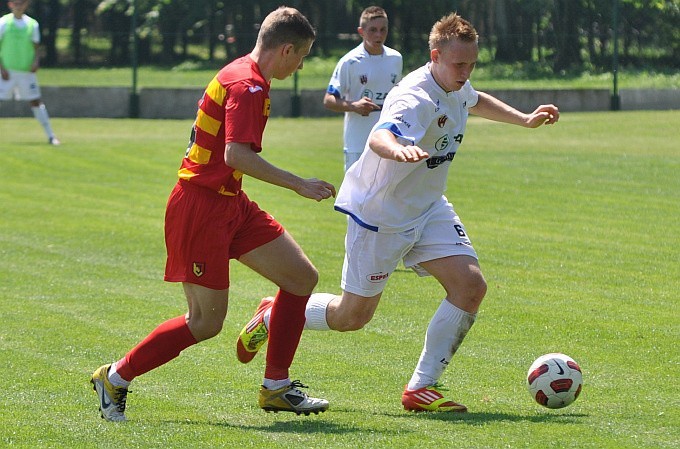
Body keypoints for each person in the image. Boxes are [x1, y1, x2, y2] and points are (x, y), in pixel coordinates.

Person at [236, 12, 559, 413]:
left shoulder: (456, 81)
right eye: (460, 64)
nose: (466, 71)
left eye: (472, 64)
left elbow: (473, 98)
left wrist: (524, 119)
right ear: (435, 55)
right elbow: (380, 135)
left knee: (470, 286)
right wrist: (399, 149)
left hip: (427, 206)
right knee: (351, 316)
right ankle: (274, 315)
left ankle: (422, 386)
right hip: (381, 214)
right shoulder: (414, 97)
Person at [91, 6, 336, 422]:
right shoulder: (249, 86)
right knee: (205, 322)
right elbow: (235, 154)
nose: (301, 65)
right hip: (201, 208)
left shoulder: (245, 72)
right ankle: (115, 377)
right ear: (287, 49)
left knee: (300, 278)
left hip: (229, 203)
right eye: (303, 56)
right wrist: (298, 183)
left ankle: (276, 386)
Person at [323, 6, 402, 172]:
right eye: (373, 30)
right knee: (355, 197)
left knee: (386, 195)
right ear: (361, 31)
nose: (378, 35)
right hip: (357, 141)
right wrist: (354, 106)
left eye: (383, 30)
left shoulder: (396, 58)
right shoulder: (350, 62)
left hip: (387, 139)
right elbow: (329, 100)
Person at [0, 0, 59, 145]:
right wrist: (1, 68)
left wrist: (36, 62)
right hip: (6, 71)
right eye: (16, 3)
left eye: (22, 3)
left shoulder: (32, 24)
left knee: (36, 101)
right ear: (10, 4)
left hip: (26, 72)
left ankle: (51, 136)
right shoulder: (3, 22)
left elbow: (36, 47)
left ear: (26, 5)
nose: (19, 6)